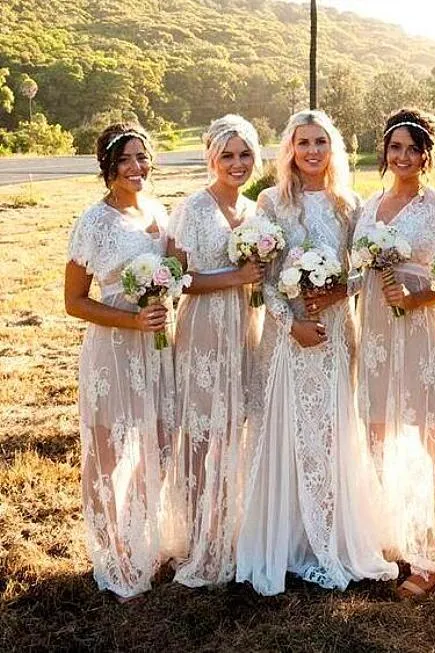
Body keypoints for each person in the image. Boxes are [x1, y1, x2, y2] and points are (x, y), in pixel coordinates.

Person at [235, 109, 398, 595]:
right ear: (289, 149)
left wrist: (333, 296)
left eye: (320, 143)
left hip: (332, 333)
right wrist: (293, 322)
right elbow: (262, 276)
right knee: (283, 428)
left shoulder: (350, 204)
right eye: (302, 143)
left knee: (328, 431)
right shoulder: (269, 202)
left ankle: (328, 536)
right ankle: (282, 541)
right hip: (286, 335)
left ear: (333, 150)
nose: (311, 152)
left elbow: (360, 270)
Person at [64, 123, 175, 602]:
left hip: (158, 350)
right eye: (126, 160)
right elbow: (73, 301)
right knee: (110, 455)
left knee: (161, 444)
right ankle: (112, 552)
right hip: (113, 350)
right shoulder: (94, 222)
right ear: (108, 168)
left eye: (143, 158)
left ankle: (138, 534)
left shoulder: (158, 212)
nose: (137, 168)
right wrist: (131, 323)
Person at [353, 108, 435, 599]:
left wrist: (416, 298)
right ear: (385, 152)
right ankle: (391, 536)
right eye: (395, 147)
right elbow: (358, 269)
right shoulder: (369, 206)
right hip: (374, 325)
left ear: (427, 154)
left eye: (413, 149)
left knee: (425, 432)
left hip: (420, 326)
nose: (403, 156)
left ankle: (434, 554)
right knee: (378, 428)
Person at [166, 114, 264, 587]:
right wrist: (235, 278)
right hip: (204, 327)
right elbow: (176, 278)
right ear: (211, 158)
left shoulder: (254, 212)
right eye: (227, 155)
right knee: (202, 430)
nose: (237, 163)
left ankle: (228, 528)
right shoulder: (191, 208)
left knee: (234, 427)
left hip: (244, 326)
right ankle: (198, 537)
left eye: (245, 154)